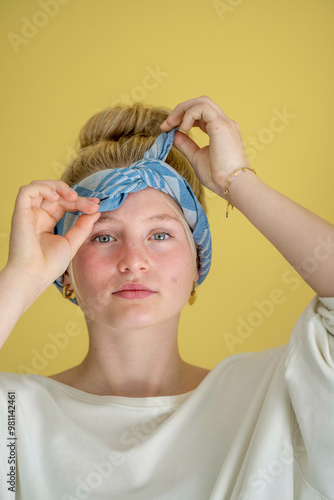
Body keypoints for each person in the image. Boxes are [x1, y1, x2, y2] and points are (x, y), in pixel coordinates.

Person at [0, 95, 333, 499]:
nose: (133, 262)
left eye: (160, 235)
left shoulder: (276, 396)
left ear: (197, 262)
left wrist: (237, 180)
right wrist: (21, 276)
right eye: (103, 236)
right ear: (65, 271)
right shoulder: (14, 414)